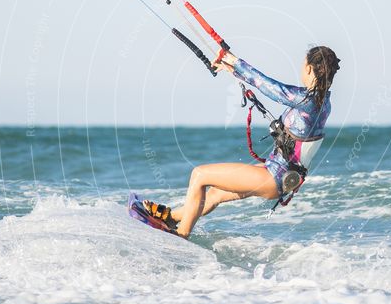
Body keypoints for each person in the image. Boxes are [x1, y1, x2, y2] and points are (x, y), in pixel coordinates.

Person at [144, 46, 340, 238]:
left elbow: (268, 85)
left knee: (199, 174)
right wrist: (234, 71)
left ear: (308, 68)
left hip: (275, 176)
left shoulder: (308, 101)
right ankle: (171, 217)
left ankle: (181, 234)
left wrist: (234, 61)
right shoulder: (322, 103)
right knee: (215, 193)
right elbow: (270, 89)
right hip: (279, 174)